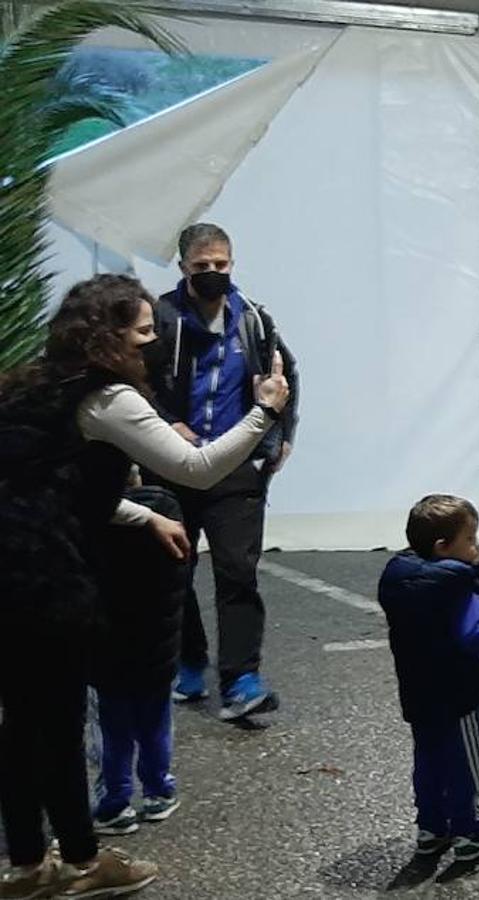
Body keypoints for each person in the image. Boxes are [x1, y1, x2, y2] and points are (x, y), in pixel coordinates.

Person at [0, 274, 288, 898]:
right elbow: (197, 466)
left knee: (21, 727)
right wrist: (265, 409)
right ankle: (81, 862)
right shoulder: (109, 398)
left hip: (10, 573)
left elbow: (48, 484)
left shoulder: (33, 382)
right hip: (47, 579)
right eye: (143, 331)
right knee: (58, 723)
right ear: (109, 338)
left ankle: (26, 865)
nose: (154, 341)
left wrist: (143, 513)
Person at [146, 223, 300, 722]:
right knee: (173, 573)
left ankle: (241, 680)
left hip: (236, 463)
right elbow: (135, 383)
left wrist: (283, 434)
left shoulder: (254, 320)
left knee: (238, 572)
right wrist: (168, 424)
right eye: (201, 267)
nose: (212, 274)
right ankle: (189, 660)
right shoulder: (161, 320)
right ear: (183, 267)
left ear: (232, 264)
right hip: (172, 464)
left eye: (221, 265)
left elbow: (285, 375)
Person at [377, 494, 479, 865]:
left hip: (418, 690)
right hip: (457, 694)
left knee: (429, 758)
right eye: (470, 540)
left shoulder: (401, 581)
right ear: (442, 547)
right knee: (463, 761)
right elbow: (474, 637)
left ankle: (431, 828)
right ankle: (469, 833)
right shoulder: (457, 585)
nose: (476, 547)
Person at [88, 484, 191, 837]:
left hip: (108, 652)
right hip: (158, 651)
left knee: (112, 730)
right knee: (155, 724)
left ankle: (115, 803)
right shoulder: (169, 518)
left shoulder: (95, 522)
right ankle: (158, 792)